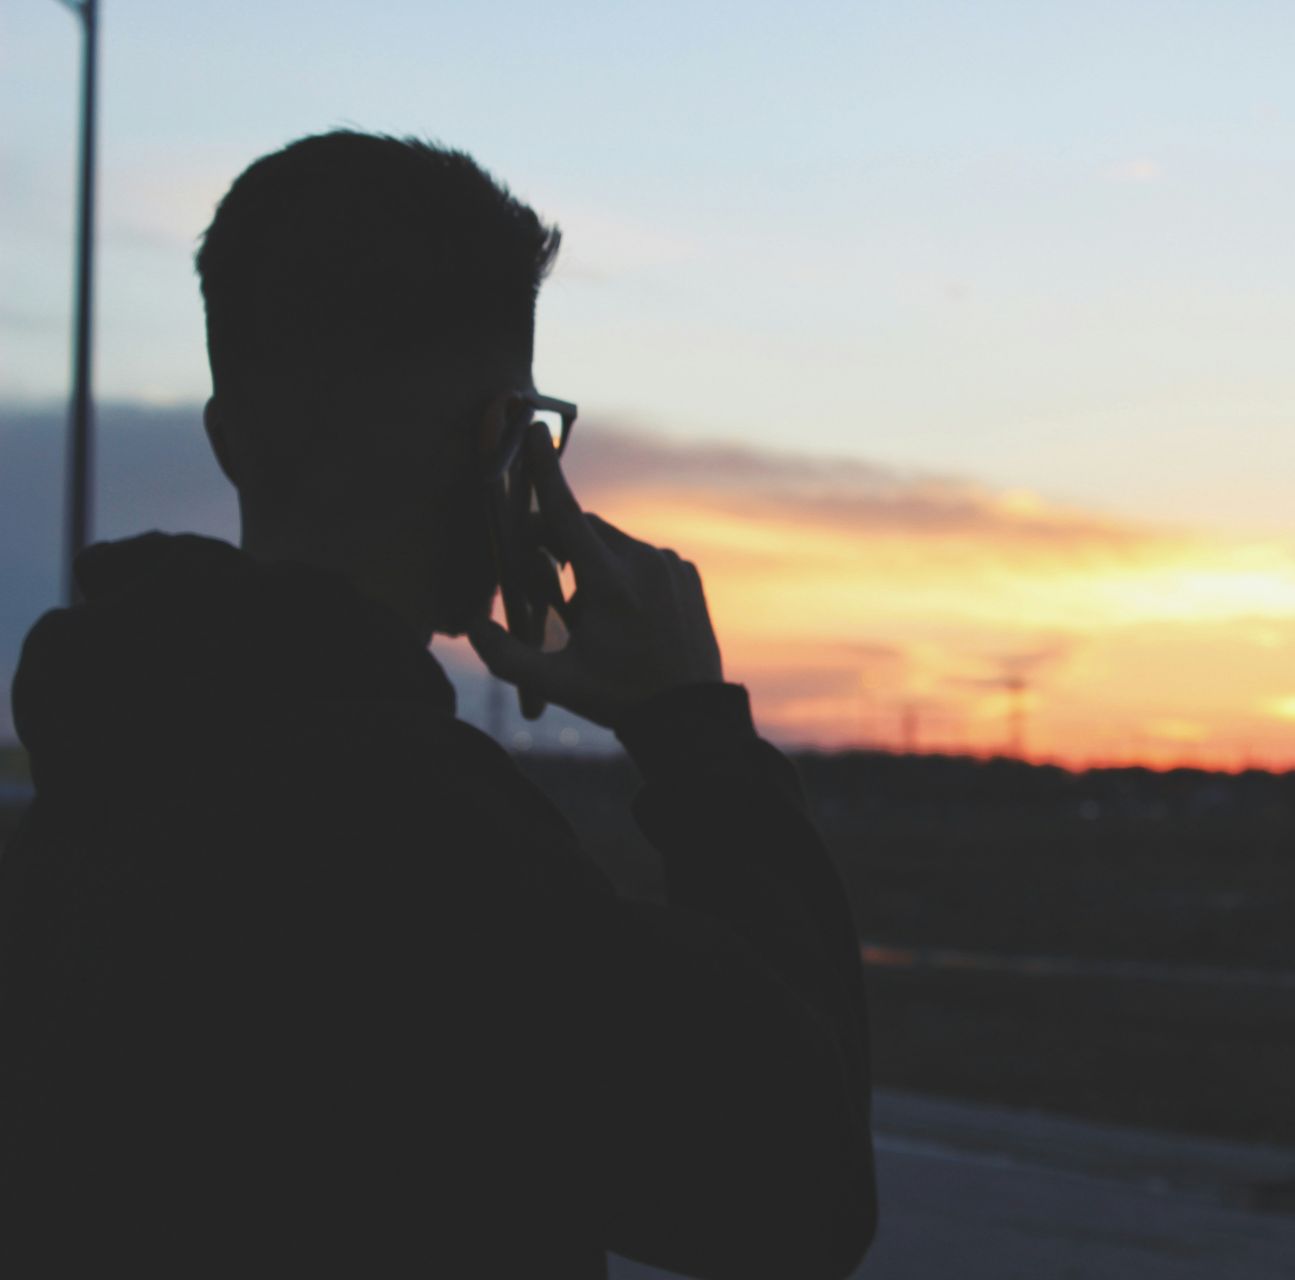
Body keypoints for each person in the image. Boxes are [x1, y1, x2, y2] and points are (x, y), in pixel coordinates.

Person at [0, 132, 876, 1279]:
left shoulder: (83, 799)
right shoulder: (419, 837)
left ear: (229, 438)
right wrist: (694, 731)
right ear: (500, 447)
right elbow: (796, 1192)